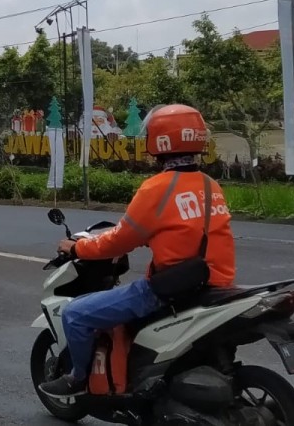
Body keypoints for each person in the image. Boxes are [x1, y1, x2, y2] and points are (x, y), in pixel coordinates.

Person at [39, 104, 238, 398]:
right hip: (215, 284)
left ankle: (78, 378)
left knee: (75, 314)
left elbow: (119, 241)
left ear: (158, 141)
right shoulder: (210, 186)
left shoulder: (156, 188)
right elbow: (184, 231)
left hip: (169, 288)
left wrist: (78, 246)